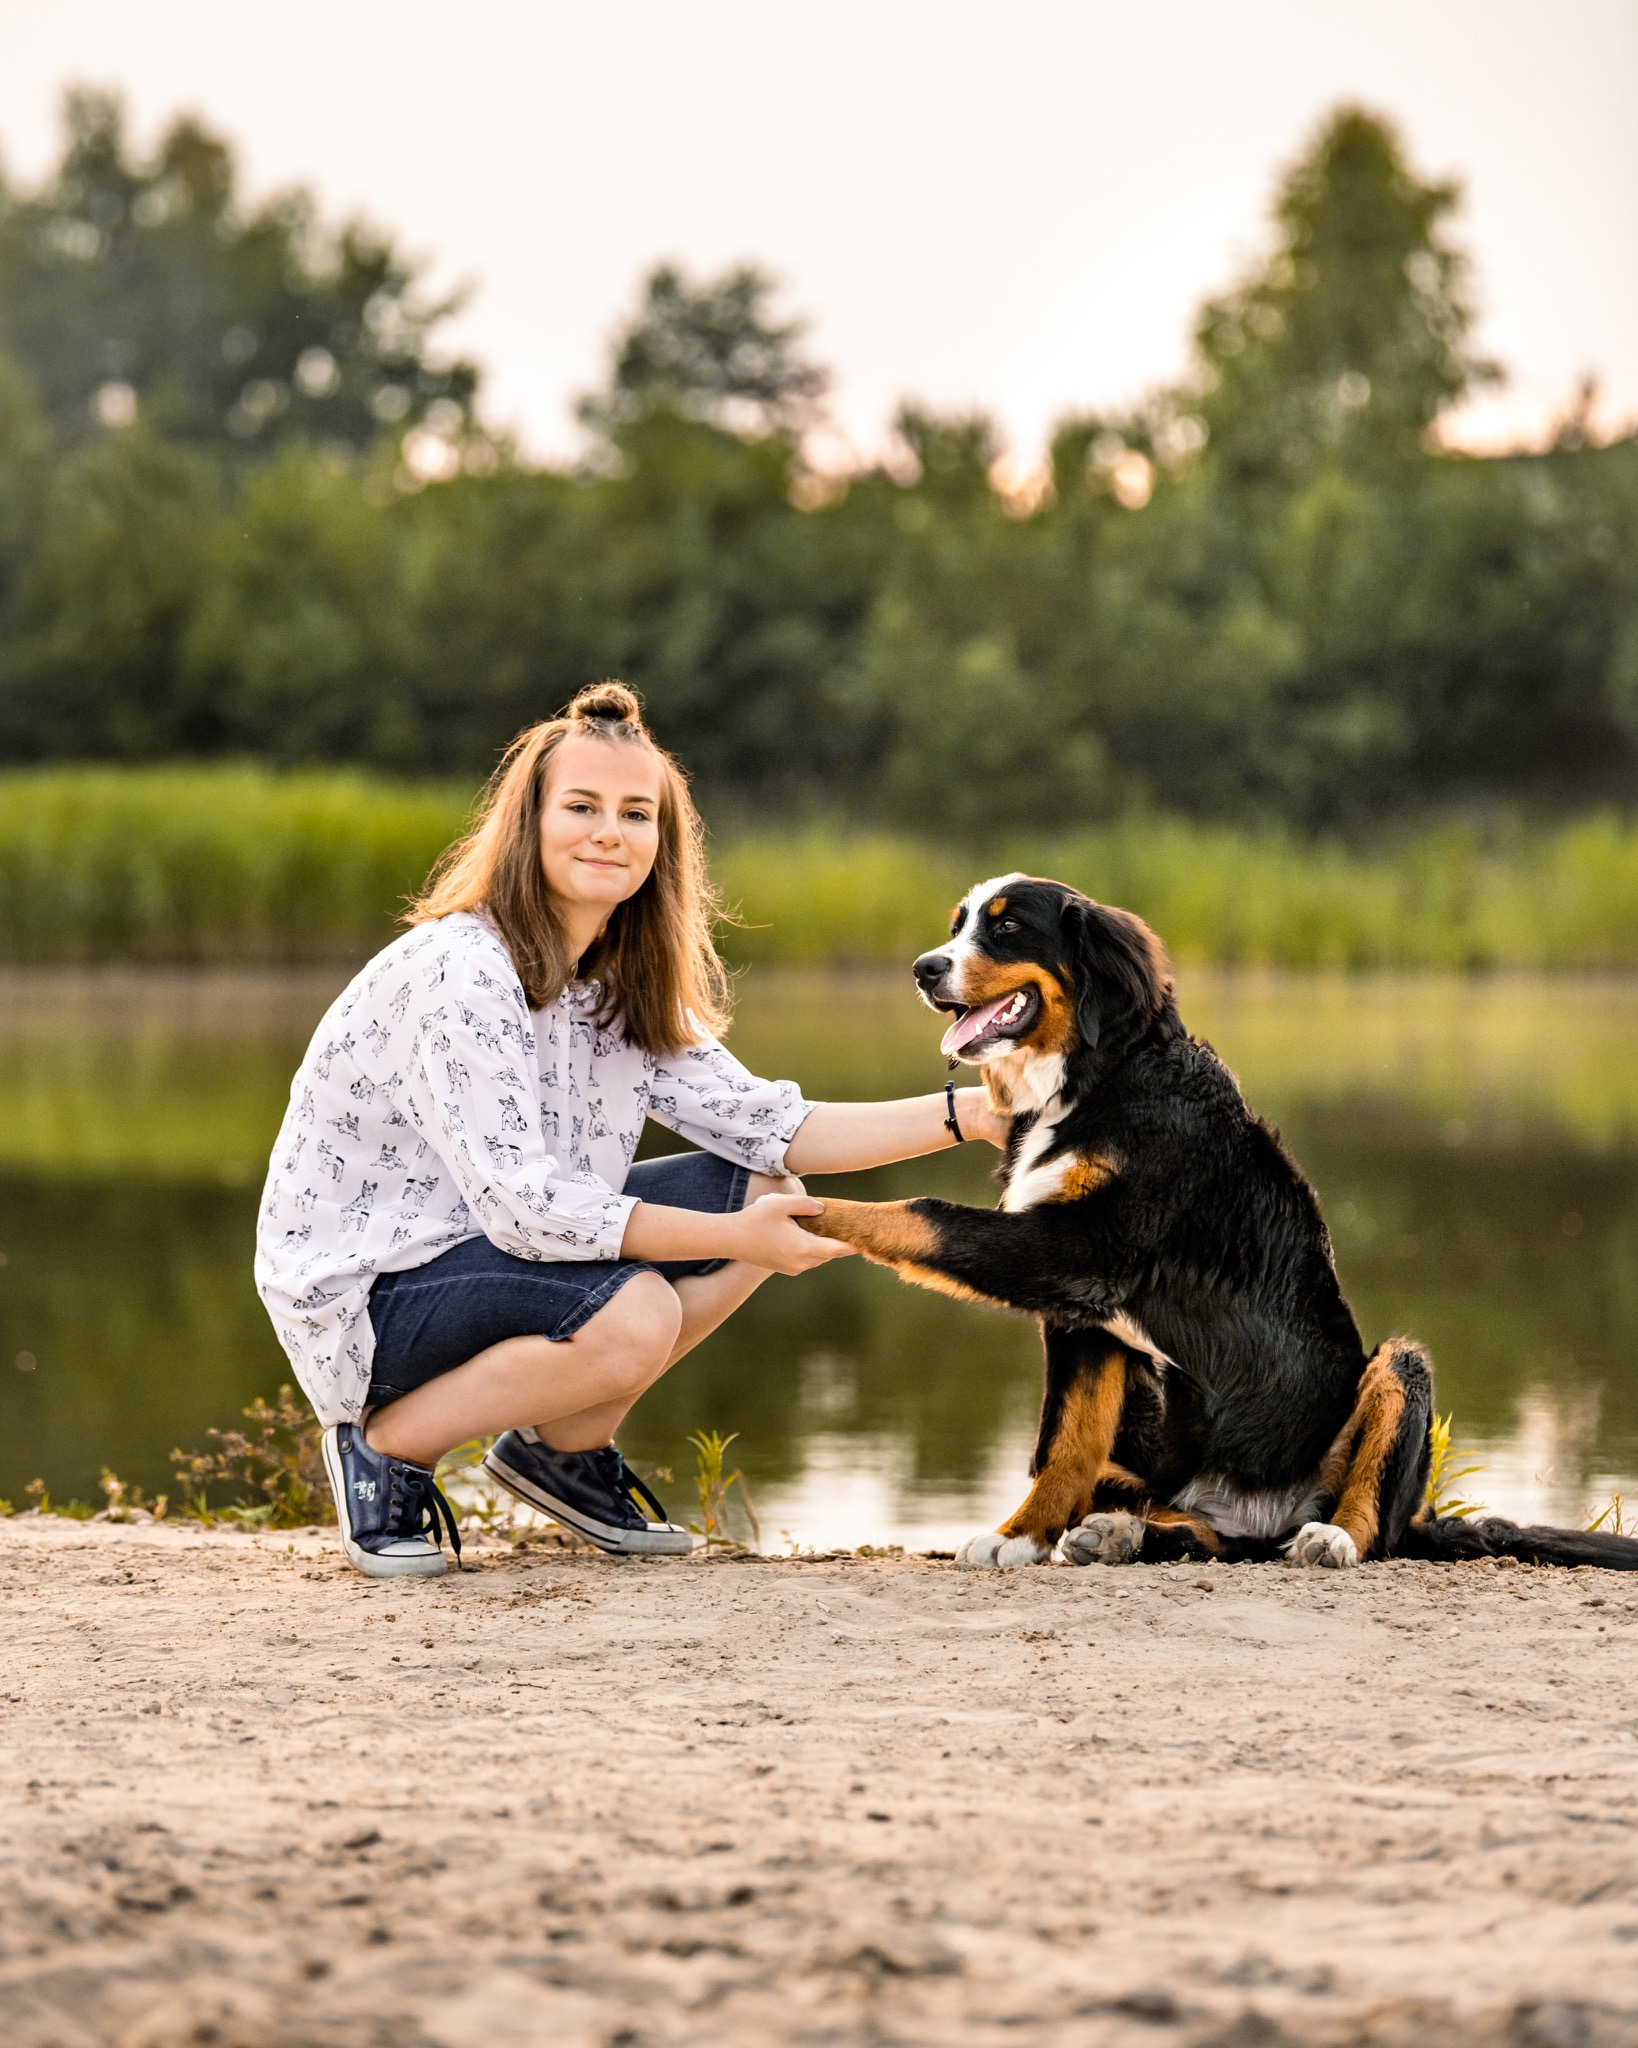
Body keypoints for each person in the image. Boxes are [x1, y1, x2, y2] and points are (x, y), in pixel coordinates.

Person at [255, 682, 1004, 1578]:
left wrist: (978, 1113)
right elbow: (524, 1207)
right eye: (582, 806)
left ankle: (561, 1452)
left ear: (662, 839)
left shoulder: (615, 981)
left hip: (487, 1255)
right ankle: (389, 1447)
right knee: (640, 1306)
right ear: (527, 823)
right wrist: (735, 1240)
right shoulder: (464, 970)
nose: (610, 831)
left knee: (769, 1189)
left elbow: (773, 1127)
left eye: (635, 813)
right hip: (373, 1293)